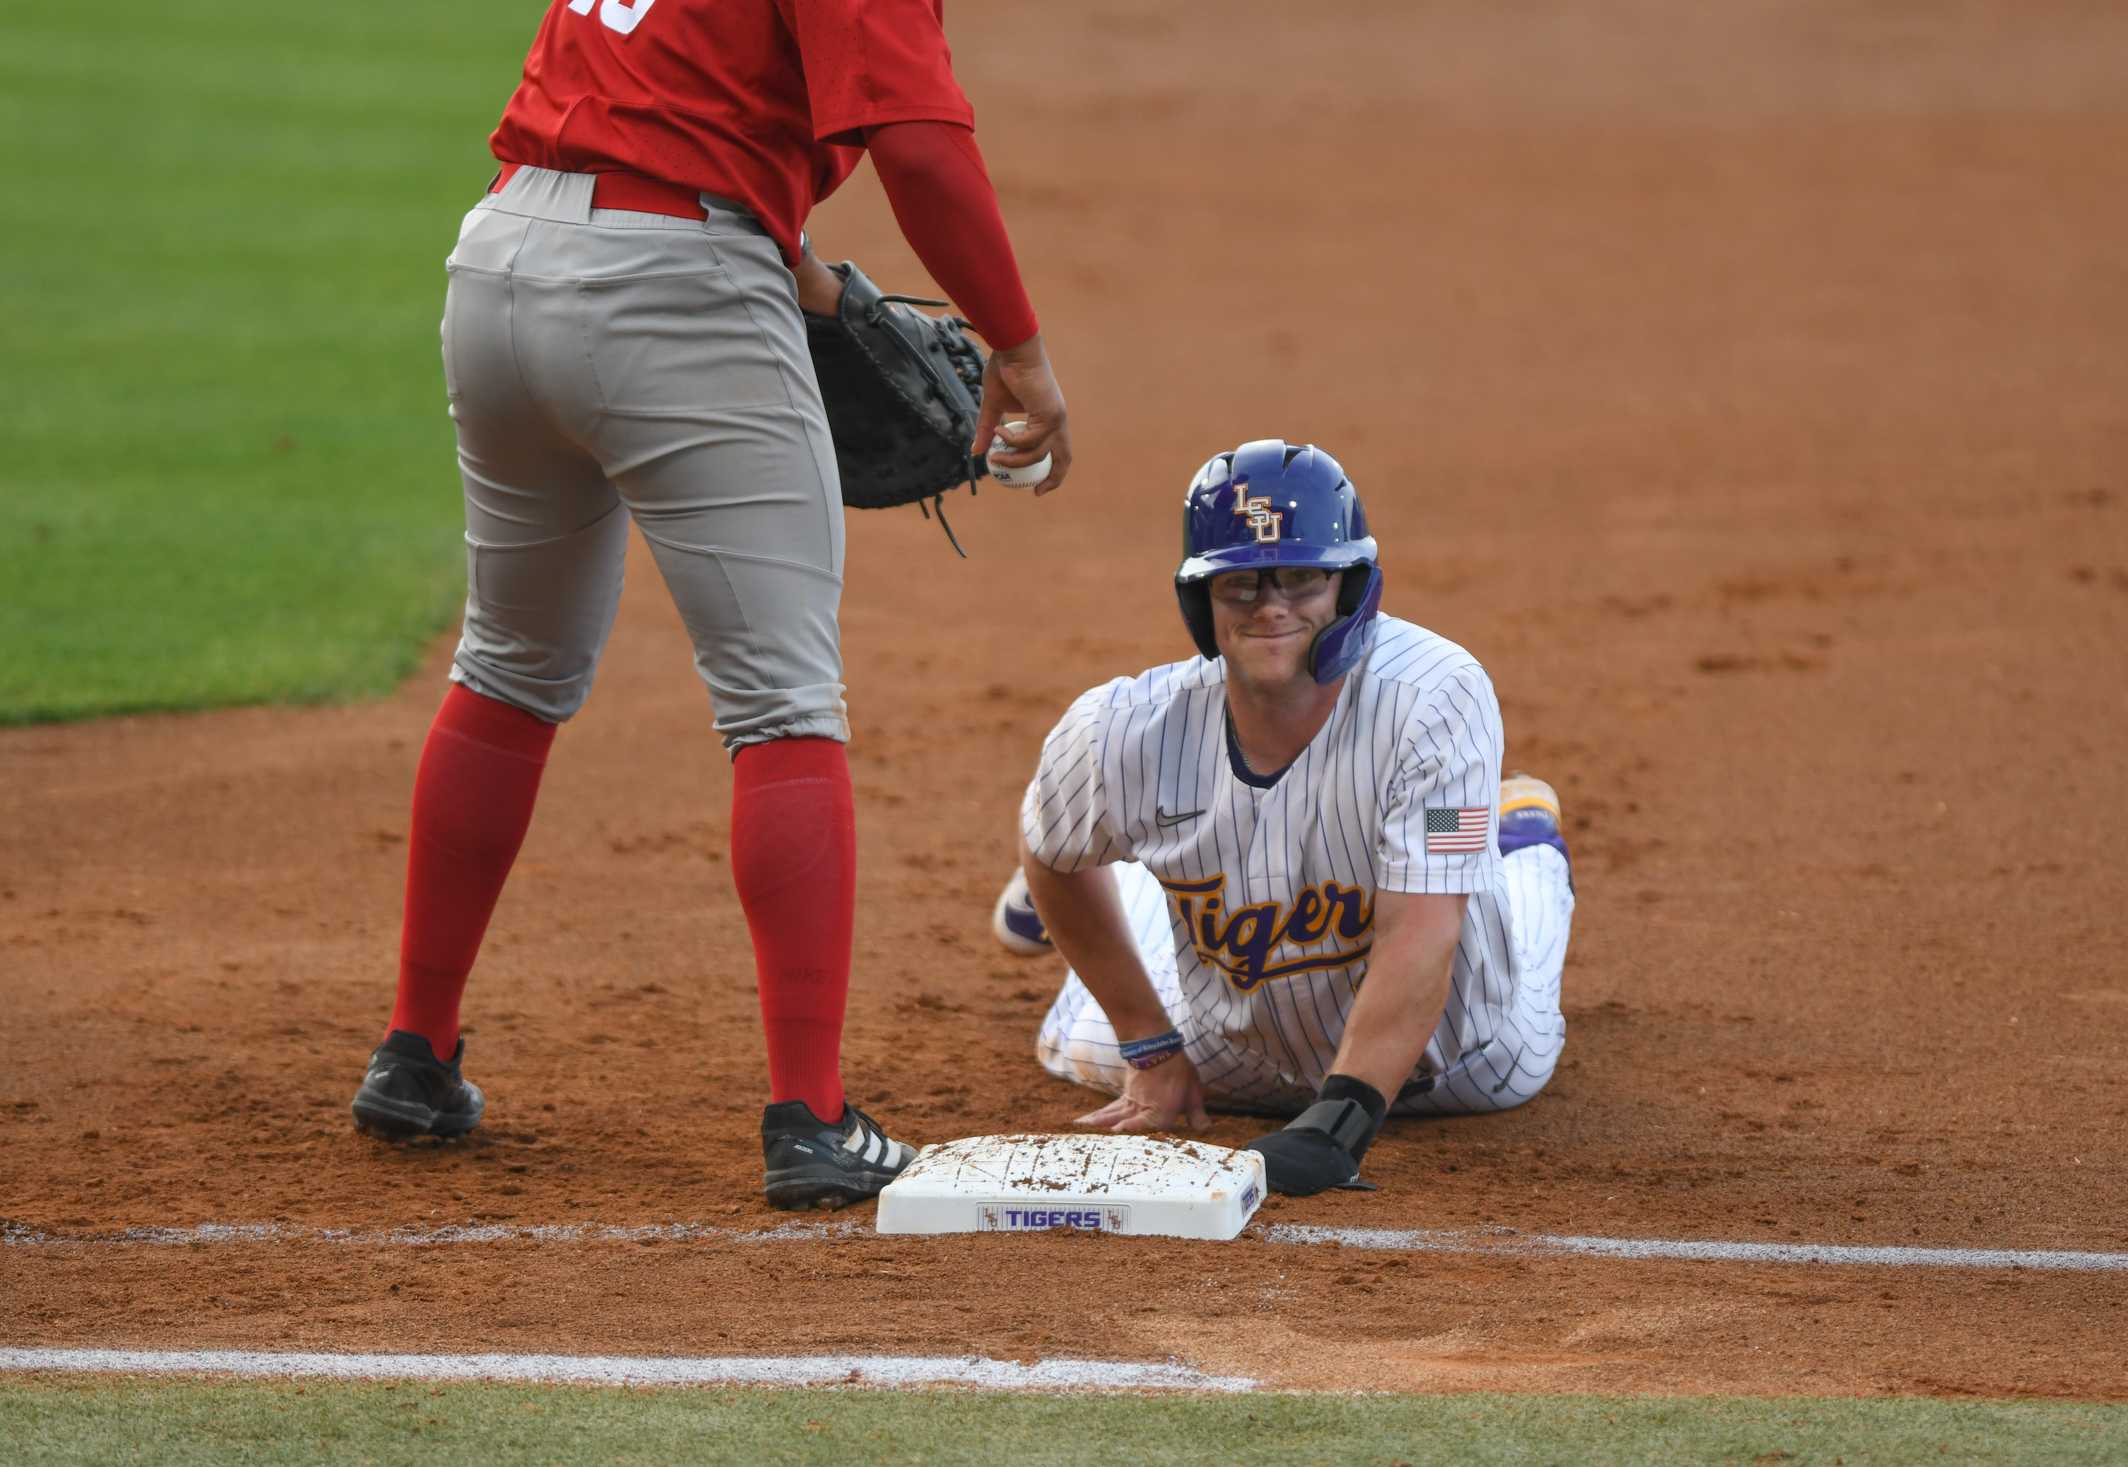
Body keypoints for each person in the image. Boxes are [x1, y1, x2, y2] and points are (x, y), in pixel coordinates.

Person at [349, 0, 1071, 1212]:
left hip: (499, 264)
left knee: (509, 667)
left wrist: (822, 286)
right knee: (783, 701)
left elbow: (660, 117)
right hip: (672, 290)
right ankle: (811, 1118)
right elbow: (920, 146)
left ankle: (413, 1057)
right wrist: (1023, 352)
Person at [991, 440, 1573, 1196]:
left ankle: (1522, 827)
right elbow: (1046, 852)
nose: (1271, 604)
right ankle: (1097, 836)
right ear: (1201, 600)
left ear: (1349, 587)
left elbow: (1425, 928)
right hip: (1236, 1054)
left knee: (1502, 898)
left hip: (1459, 1064)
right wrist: (1150, 1045)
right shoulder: (1124, 727)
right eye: (1241, 584)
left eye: (1301, 577)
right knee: (1066, 1014)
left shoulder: (1436, 695)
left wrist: (1342, 1120)